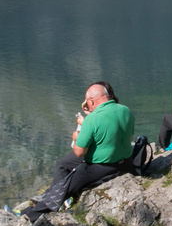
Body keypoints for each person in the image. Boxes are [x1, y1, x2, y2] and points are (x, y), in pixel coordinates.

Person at [18, 81, 135, 217]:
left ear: (91, 101)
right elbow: (130, 138)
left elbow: (79, 152)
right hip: (126, 162)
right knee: (64, 164)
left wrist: (76, 137)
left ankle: (32, 214)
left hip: (102, 166)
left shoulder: (92, 119)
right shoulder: (126, 110)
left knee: (65, 185)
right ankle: (47, 201)